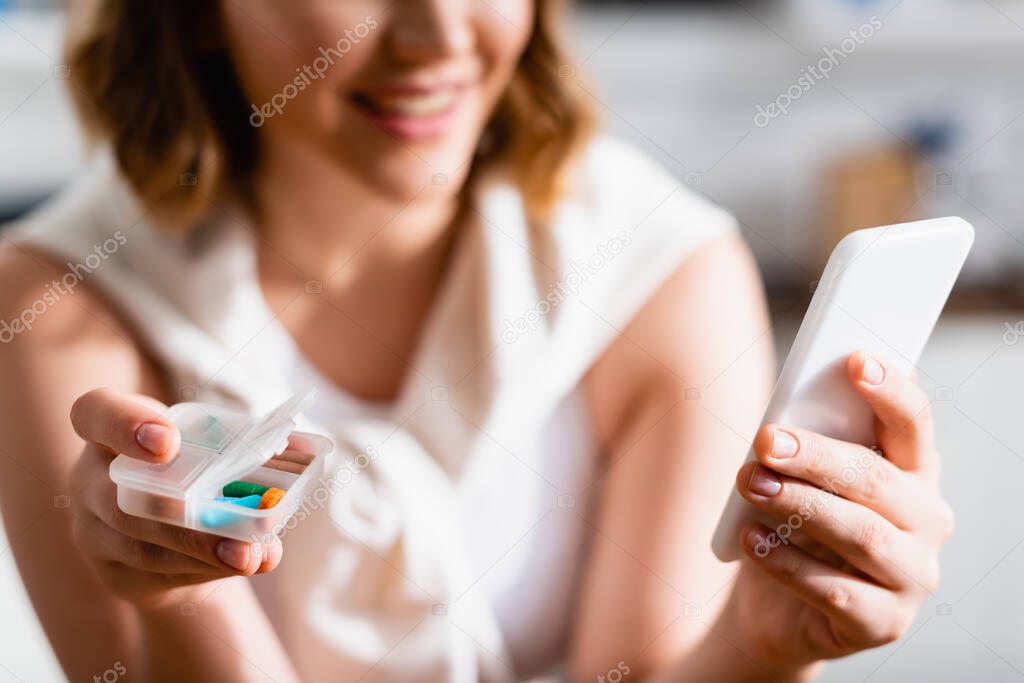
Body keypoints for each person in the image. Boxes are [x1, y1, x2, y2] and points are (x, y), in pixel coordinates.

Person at [0, 1, 952, 681]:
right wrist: (184, 598)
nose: (440, 36)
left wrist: (763, 647)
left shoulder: (660, 265)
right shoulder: (59, 298)